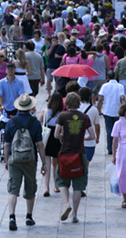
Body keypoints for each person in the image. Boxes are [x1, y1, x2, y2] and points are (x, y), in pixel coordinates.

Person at [3, 94, 47, 231]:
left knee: (13, 189)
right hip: (30, 160)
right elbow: (39, 144)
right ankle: (28, 217)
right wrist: (44, 162)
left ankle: (12, 217)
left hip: (14, 159)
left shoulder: (11, 122)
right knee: (30, 187)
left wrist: (6, 160)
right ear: (30, 107)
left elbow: (6, 144)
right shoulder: (35, 123)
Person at [54, 93, 95, 223]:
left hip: (65, 153)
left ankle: (66, 204)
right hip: (80, 154)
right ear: (78, 103)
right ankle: (75, 215)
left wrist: (63, 137)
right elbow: (92, 136)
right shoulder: (85, 117)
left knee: (61, 181)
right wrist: (83, 138)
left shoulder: (62, 116)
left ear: (66, 103)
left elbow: (56, 134)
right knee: (78, 185)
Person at [38, 92, 63, 196]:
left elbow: (39, 123)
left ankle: (46, 187)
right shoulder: (61, 114)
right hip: (57, 138)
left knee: (46, 164)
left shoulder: (45, 111)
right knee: (56, 164)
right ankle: (56, 186)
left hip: (47, 139)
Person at [98, 70, 126, 155]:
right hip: (116, 111)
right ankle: (116, 147)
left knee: (109, 129)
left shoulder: (104, 86)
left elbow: (100, 99)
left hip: (107, 111)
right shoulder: (120, 86)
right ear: (115, 76)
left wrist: (98, 109)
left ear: (107, 77)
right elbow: (122, 98)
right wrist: (125, 108)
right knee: (117, 130)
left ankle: (110, 148)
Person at [78, 87, 101, 164]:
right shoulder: (94, 110)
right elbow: (97, 125)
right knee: (86, 164)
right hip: (89, 141)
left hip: (76, 140)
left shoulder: (75, 108)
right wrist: (97, 137)